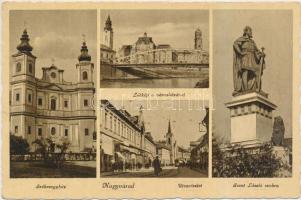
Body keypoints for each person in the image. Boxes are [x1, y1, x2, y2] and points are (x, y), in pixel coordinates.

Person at [233, 26, 265, 96]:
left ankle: (258, 88)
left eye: (251, 31)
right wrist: (240, 52)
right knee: (245, 72)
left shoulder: (252, 42)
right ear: (246, 32)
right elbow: (235, 44)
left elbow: (256, 51)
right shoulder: (242, 39)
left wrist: (261, 54)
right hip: (245, 57)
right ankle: (246, 89)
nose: (251, 33)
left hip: (252, 58)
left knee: (257, 72)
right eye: (250, 31)